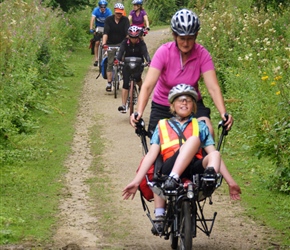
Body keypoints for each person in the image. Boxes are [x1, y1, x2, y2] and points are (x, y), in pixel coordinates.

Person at [130, 9, 241, 199]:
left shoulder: (202, 54)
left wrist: (224, 113)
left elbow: (213, 87)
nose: (186, 42)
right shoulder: (164, 52)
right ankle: (162, 205)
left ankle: (199, 178)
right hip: (164, 104)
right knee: (160, 148)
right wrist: (139, 112)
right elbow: (148, 86)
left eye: (191, 37)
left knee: (207, 129)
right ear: (174, 35)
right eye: (182, 37)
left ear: (196, 35)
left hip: (192, 102)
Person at [123, 84, 241, 234]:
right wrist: (135, 181)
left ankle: (210, 176)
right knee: (192, 141)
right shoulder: (162, 125)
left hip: (194, 169)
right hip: (169, 168)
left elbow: (212, 154)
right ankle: (166, 196)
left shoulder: (200, 126)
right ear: (172, 105)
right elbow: (151, 155)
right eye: (180, 100)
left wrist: (231, 183)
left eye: (189, 100)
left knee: (215, 154)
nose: (184, 103)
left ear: (194, 106)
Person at [116, 26, 151, 114]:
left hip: (138, 64)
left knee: (137, 77)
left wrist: (149, 61)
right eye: (132, 37)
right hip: (127, 64)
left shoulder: (141, 43)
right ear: (129, 36)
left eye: (135, 37)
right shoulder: (125, 43)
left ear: (138, 36)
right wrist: (117, 60)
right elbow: (121, 52)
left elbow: (145, 53)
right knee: (125, 82)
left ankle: (141, 88)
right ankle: (123, 105)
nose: (133, 39)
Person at [102, 3, 130, 92]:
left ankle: (127, 79)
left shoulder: (125, 20)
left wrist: (127, 42)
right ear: (114, 11)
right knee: (110, 62)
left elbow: (127, 33)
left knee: (124, 61)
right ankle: (109, 82)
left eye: (120, 13)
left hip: (121, 44)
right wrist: (104, 44)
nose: (119, 15)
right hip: (110, 44)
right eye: (117, 13)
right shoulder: (108, 20)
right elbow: (105, 32)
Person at [89, 0, 112, 67]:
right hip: (98, 27)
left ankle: (106, 54)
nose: (103, 8)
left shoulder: (108, 11)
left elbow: (110, 20)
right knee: (97, 42)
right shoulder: (96, 10)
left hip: (106, 27)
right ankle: (96, 59)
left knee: (107, 42)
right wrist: (91, 28)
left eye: (104, 7)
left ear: (106, 7)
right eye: (101, 7)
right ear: (99, 7)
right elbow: (92, 19)